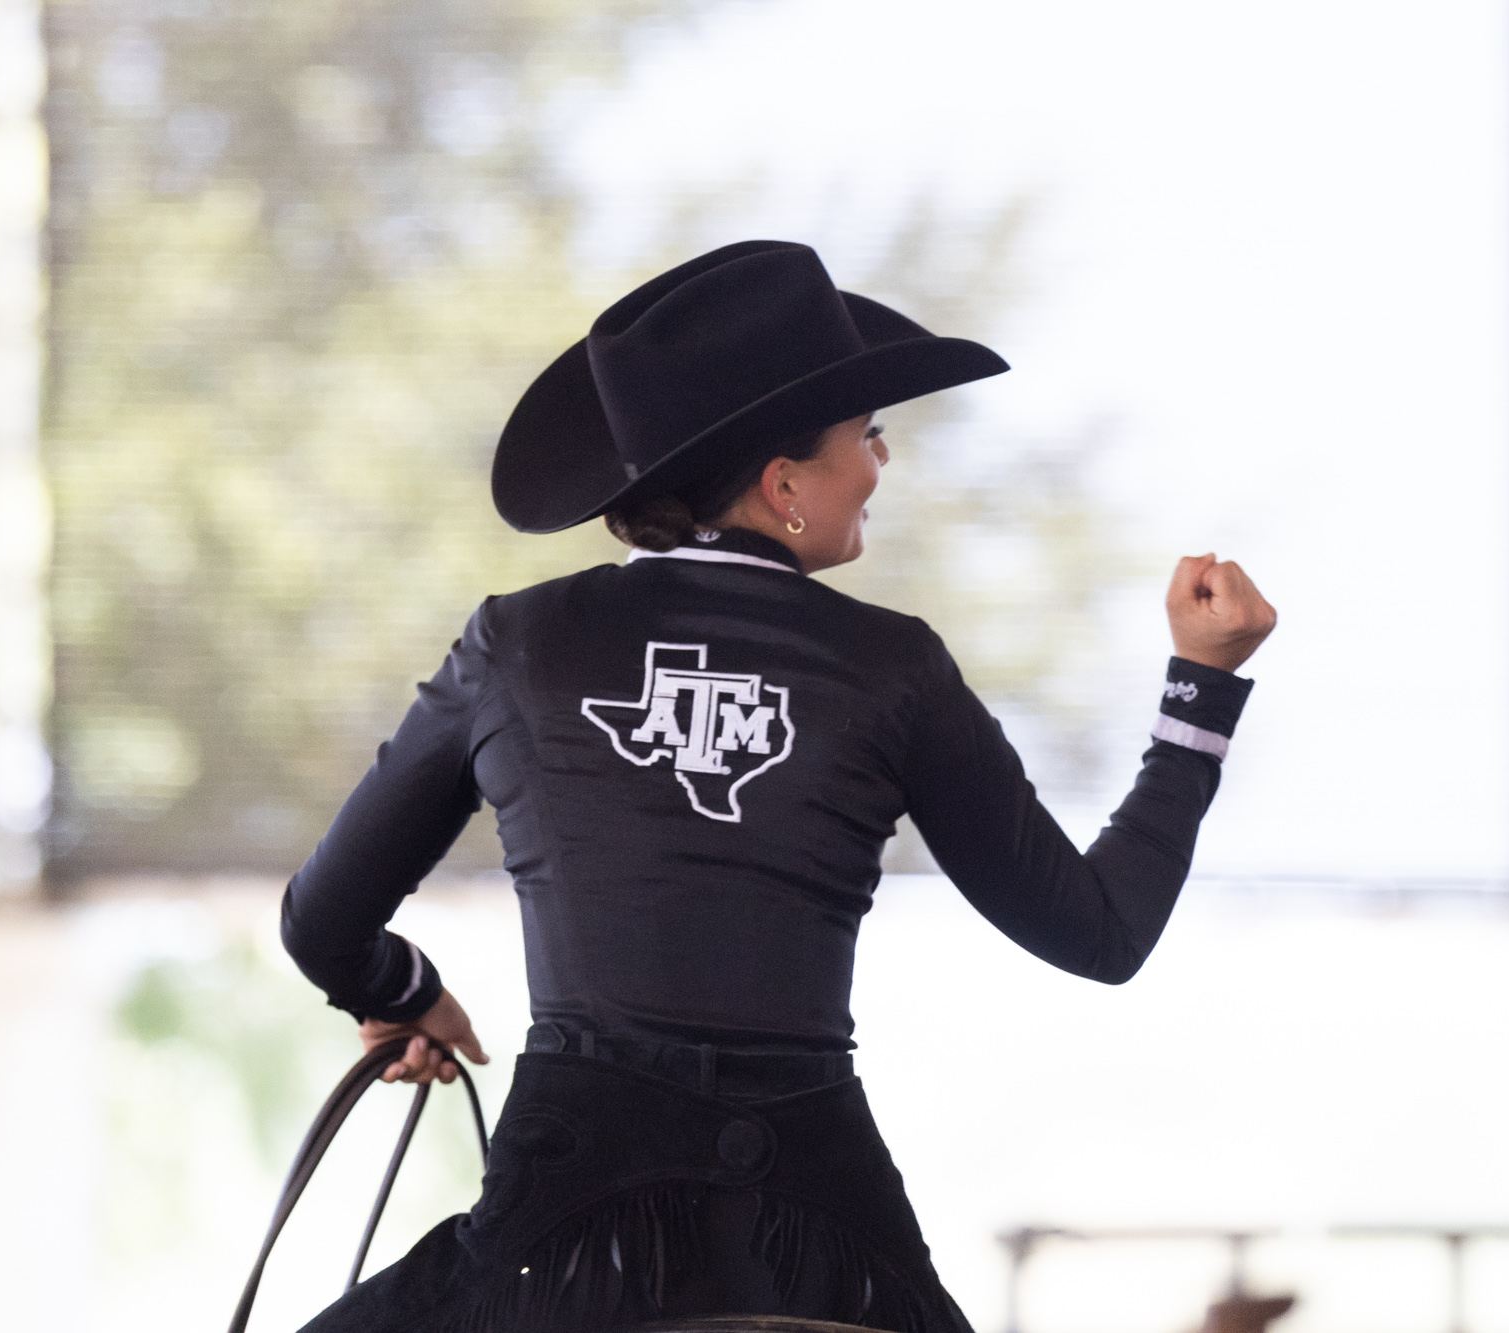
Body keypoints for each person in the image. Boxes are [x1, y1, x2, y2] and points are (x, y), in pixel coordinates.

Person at [280, 239, 1277, 1333]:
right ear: (784, 483)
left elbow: (323, 920)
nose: (881, 464)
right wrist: (1199, 692)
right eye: (868, 435)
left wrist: (401, 986)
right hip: (818, 1239)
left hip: (560, 1242)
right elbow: (1102, 932)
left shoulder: (517, 646)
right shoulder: (894, 668)